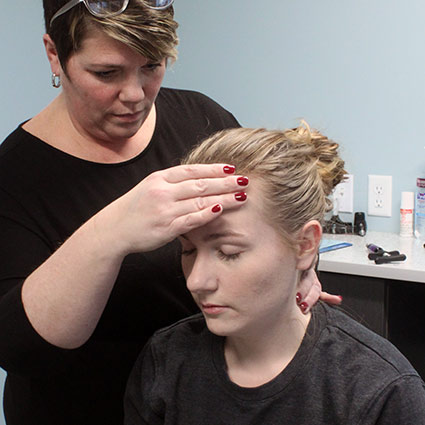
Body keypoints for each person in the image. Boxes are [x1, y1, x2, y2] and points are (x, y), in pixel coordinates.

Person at [0, 1, 335, 424]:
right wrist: (113, 231)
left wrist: (300, 266)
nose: (135, 94)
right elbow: (18, 349)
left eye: (152, 67)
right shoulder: (14, 177)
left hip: (199, 404)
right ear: (54, 53)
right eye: (106, 73)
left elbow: (271, 215)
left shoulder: (201, 117)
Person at [124, 124, 425, 425]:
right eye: (188, 250)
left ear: (305, 245)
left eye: (229, 252)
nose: (196, 281)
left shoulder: (381, 393)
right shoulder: (166, 361)